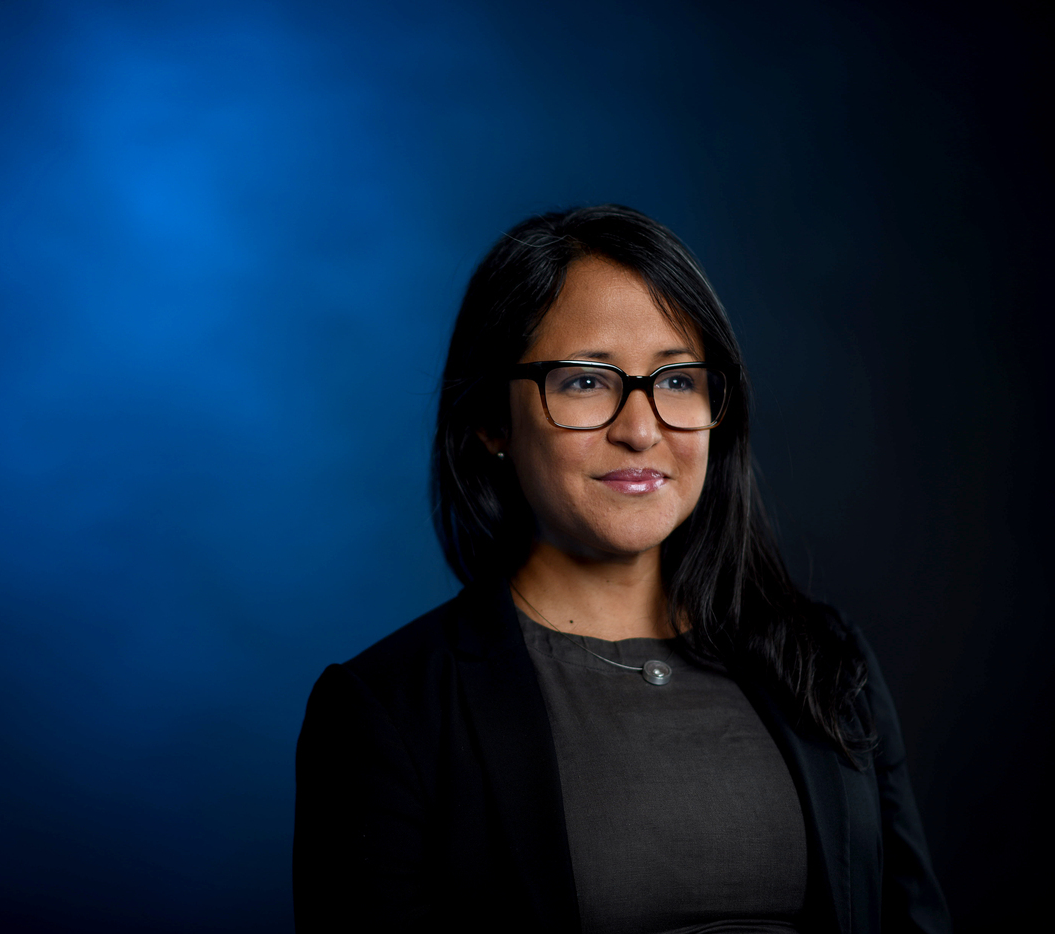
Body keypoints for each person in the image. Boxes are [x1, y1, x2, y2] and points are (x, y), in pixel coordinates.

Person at [293, 205, 950, 934]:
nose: (640, 429)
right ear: (491, 420)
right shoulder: (387, 713)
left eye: (677, 380)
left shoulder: (827, 662)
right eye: (585, 382)